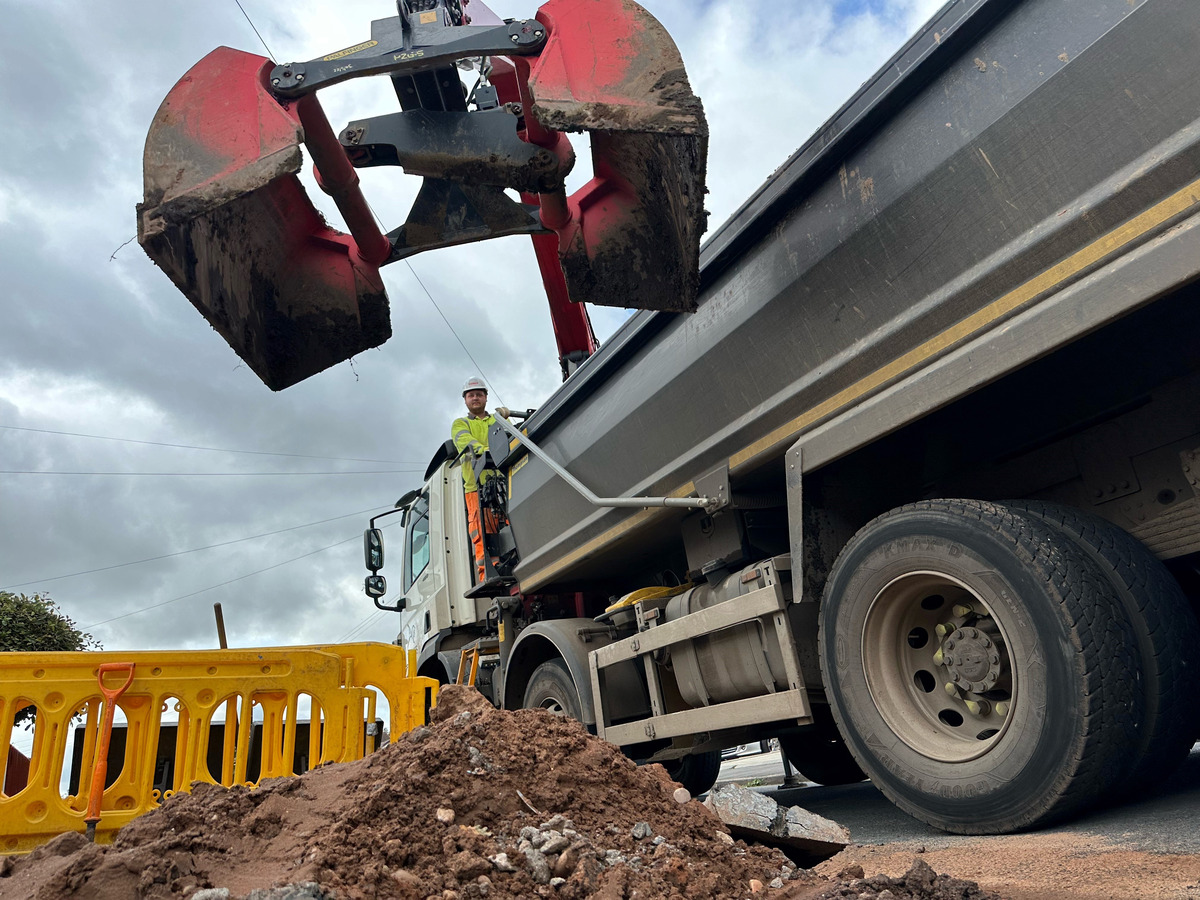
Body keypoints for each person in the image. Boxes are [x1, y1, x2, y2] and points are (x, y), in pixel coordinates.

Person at [452, 376, 503, 583]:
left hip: (502, 483)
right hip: (476, 488)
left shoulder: (499, 420)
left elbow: (512, 438)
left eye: (479, 394)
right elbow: (466, 443)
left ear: (485, 398)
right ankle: (488, 577)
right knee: (482, 531)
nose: (475, 398)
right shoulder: (460, 424)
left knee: (507, 524)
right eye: (471, 395)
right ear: (465, 400)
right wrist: (491, 451)